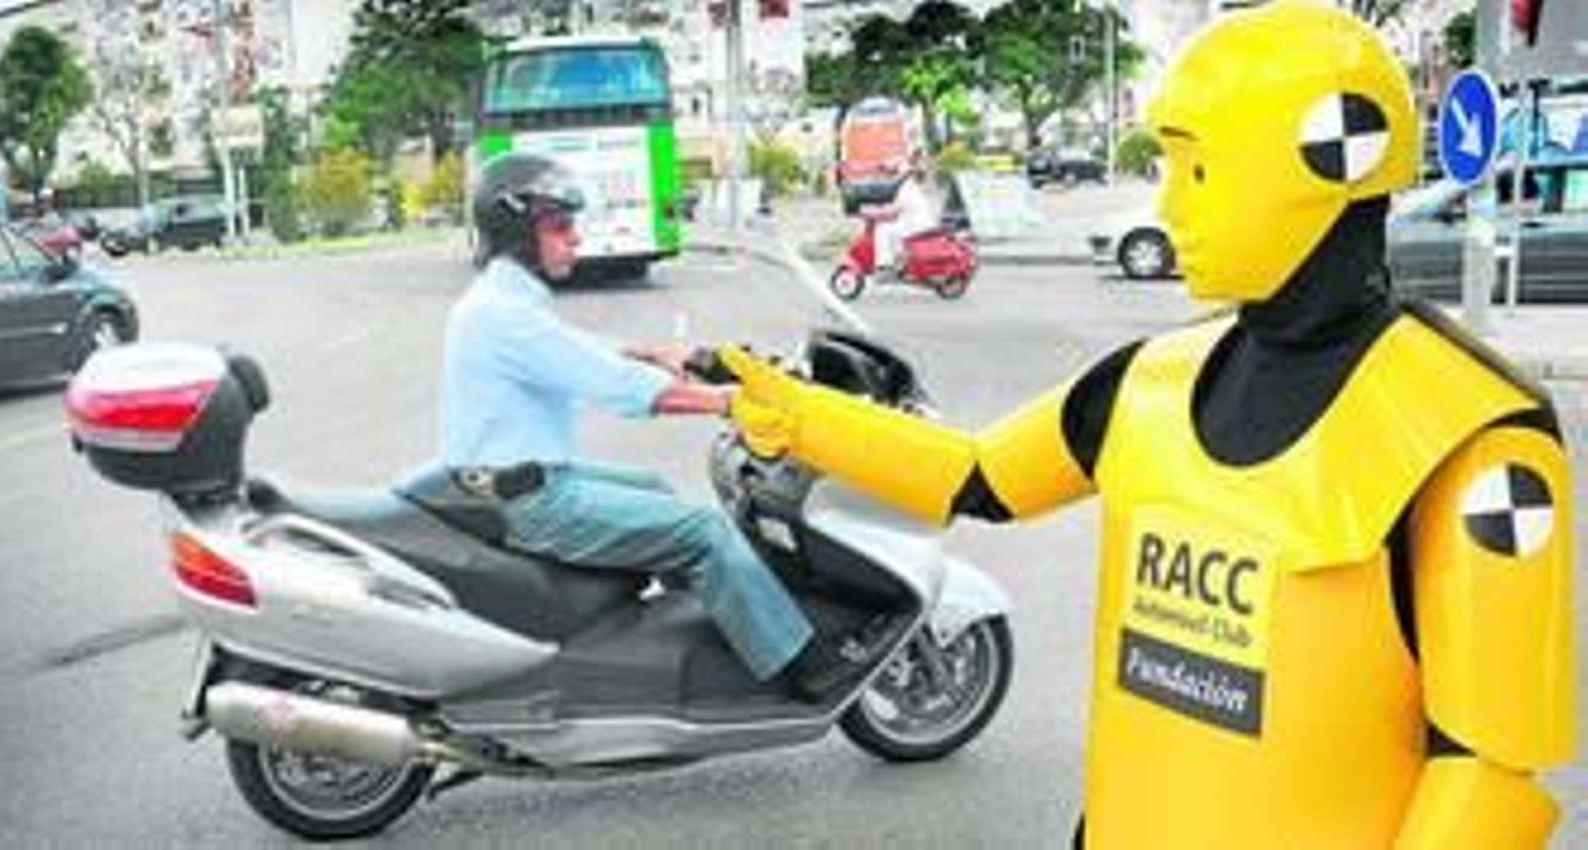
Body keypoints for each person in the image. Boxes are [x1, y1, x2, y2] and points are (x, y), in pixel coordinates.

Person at [722, 2, 1575, 846]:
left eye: (1198, 173)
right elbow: (974, 476)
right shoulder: (1148, 383)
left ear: (1330, 157)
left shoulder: (1471, 440)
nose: (1170, 210)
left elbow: (1488, 776)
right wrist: (796, 415)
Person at [435, 152, 879, 702]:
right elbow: (609, 383)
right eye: (560, 226)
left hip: (517, 484)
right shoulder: (504, 315)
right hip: (532, 503)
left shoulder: (502, 302)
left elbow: (573, 351)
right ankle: (805, 665)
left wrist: (654, 353)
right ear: (520, 234)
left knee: (656, 491)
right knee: (704, 531)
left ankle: (707, 624)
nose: (575, 238)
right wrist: (723, 401)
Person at [870, 152, 935, 271]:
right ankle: (900, 263)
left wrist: (874, 213)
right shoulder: (911, 186)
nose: (887, 176)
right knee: (892, 230)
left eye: (891, 173)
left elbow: (893, 211)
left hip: (916, 227)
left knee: (882, 230)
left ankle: (884, 265)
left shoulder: (905, 187)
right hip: (920, 224)